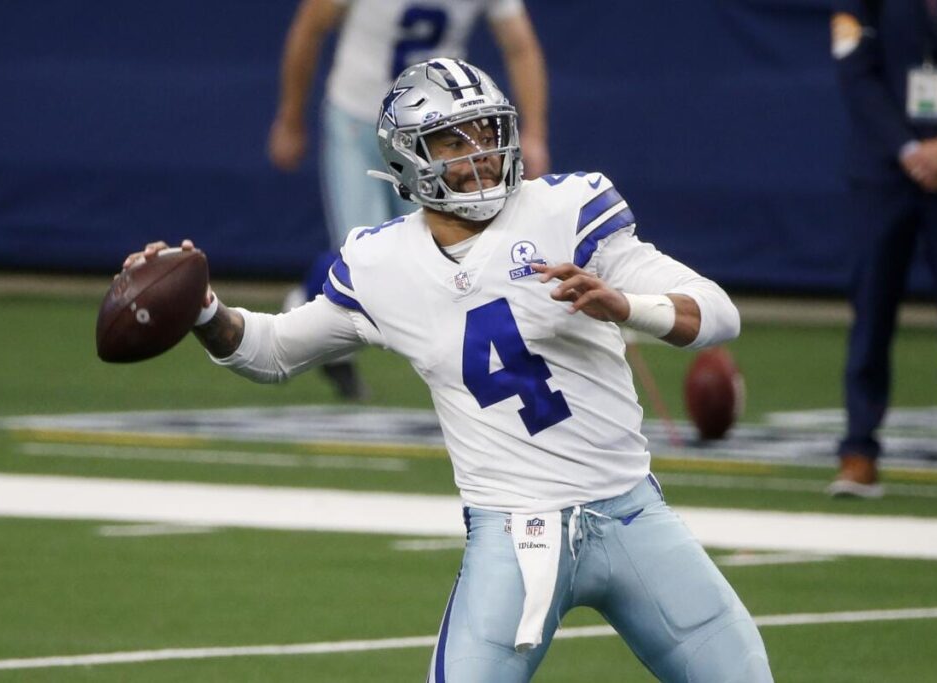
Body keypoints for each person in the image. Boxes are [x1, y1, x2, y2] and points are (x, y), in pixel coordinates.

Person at [128, 59, 771, 681]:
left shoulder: (567, 212)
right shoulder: (380, 265)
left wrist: (627, 305)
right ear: (408, 158)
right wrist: (202, 308)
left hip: (633, 518)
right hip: (513, 534)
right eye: (452, 142)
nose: (480, 155)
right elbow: (270, 351)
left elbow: (716, 313)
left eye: (488, 134)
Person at [266, 0, 549, 400]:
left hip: (437, 132)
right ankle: (311, 307)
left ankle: (480, 362)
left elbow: (520, 46)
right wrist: (291, 116)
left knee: (448, 246)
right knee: (361, 248)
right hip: (359, 116)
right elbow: (309, 27)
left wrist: (535, 133)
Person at [829, 1, 937, 500]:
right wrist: (908, 150)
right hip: (884, 170)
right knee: (871, 309)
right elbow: (855, 71)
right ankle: (858, 451)